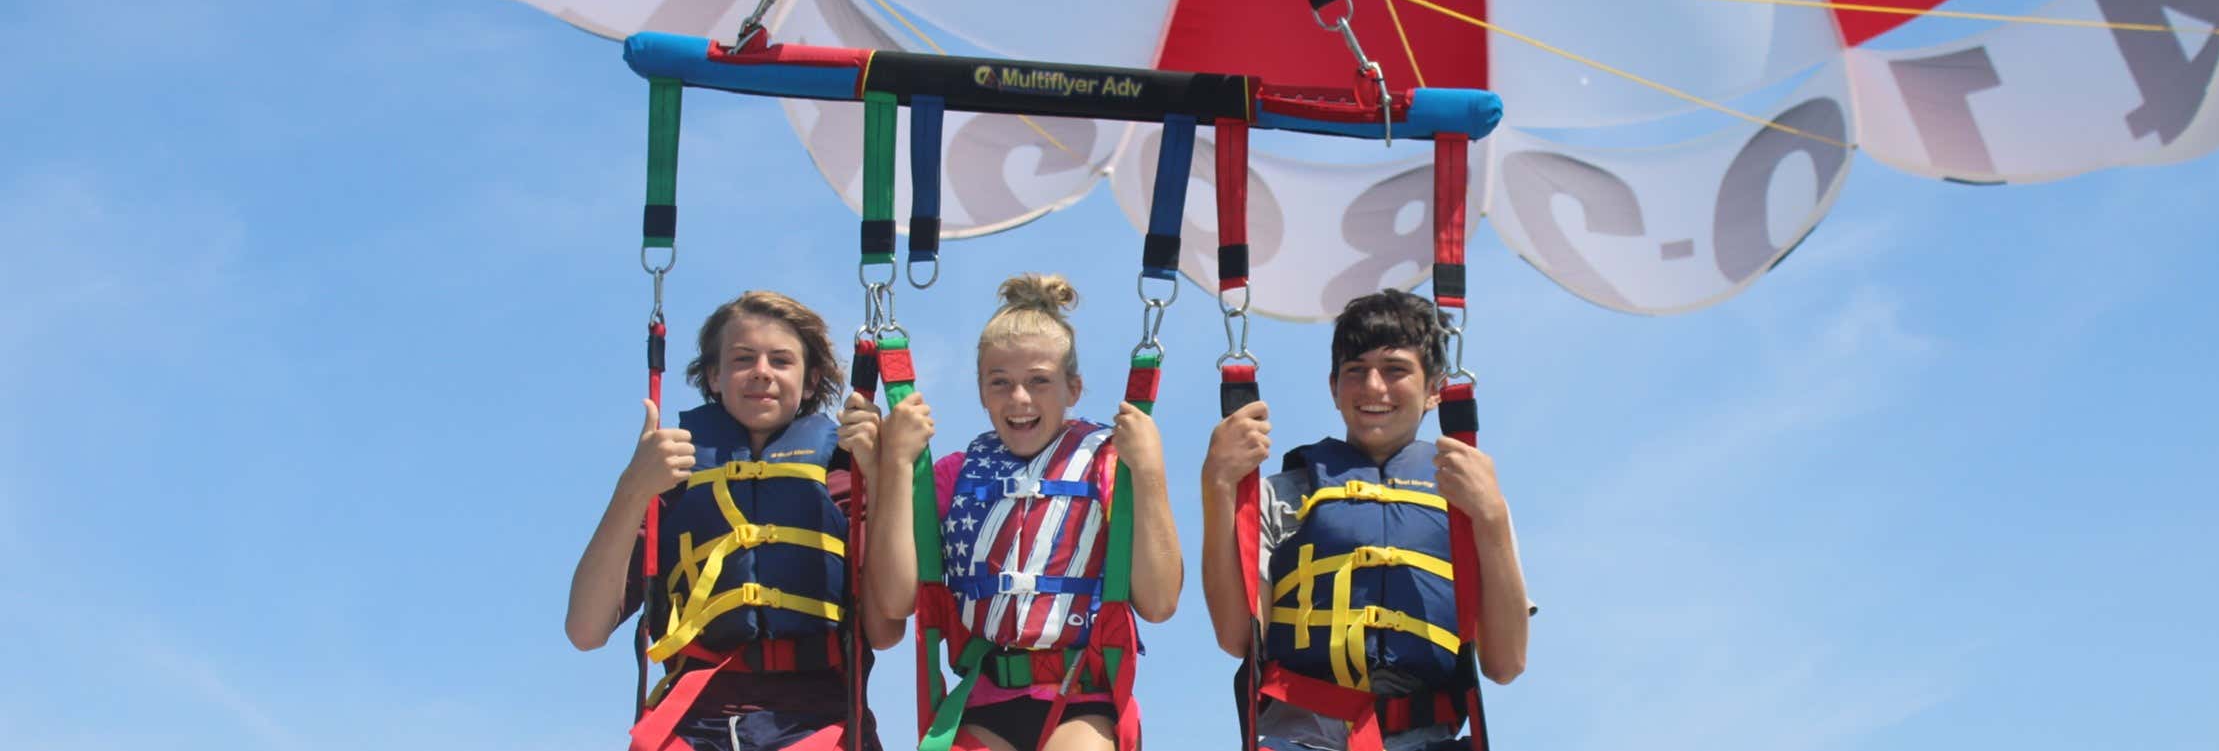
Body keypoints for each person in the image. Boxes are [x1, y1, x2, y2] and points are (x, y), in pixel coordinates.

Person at [843, 273, 1184, 751]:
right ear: (982, 392)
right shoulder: (952, 476)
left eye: (1039, 381)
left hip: (1080, 697)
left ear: (1074, 388)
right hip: (982, 703)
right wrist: (896, 467)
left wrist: (1149, 474)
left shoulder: (1110, 466)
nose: (1019, 399)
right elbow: (895, 601)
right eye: (1000, 383)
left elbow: (1160, 603)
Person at [566, 290, 906, 751]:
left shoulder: (845, 475)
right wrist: (632, 489)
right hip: (692, 719)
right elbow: (585, 631)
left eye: (781, 361)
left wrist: (885, 477)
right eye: (743, 358)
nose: (762, 372)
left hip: (819, 719)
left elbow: (887, 630)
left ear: (811, 382)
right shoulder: (671, 477)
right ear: (714, 376)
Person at [1198, 288, 1531, 751]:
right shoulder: (1282, 496)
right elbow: (1237, 637)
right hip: (1302, 736)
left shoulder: (1470, 503)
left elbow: (1506, 663)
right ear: (1334, 388)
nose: (1374, 387)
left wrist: (1491, 518)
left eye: (1395, 370)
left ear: (1435, 388)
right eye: (1356, 372)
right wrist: (1217, 487)